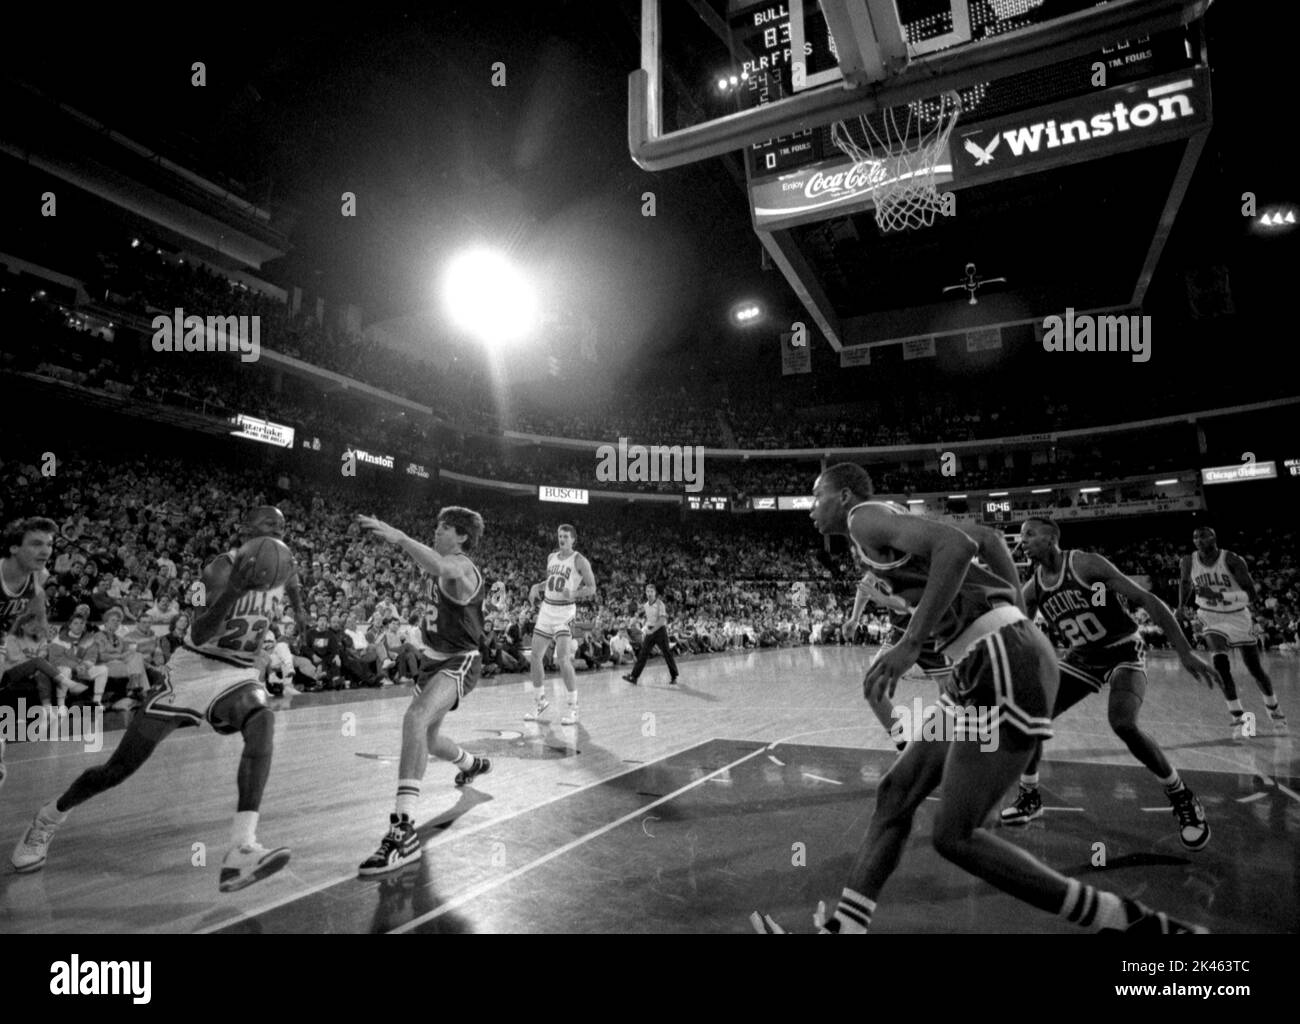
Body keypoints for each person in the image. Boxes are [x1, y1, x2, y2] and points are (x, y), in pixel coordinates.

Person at [753, 464, 1205, 934]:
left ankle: (1129, 922)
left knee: (955, 835)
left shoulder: (862, 517)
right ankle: (846, 927)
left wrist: (912, 643)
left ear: (844, 496)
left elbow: (960, 546)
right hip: (982, 663)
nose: (810, 508)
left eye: (816, 495)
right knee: (896, 793)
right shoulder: (882, 526)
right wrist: (1016, 606)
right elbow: (987, 537)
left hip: (1000, 656)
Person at [11, 507, 301, 893]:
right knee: (119, 769)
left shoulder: (283, 565)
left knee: (262, 720)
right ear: (245, 531)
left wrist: (299, 613)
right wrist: (234, 592)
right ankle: (49, 817)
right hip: (192, 669)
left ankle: (241, 849)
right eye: (268, 525)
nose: (277, 531)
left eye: (281, 526)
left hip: (238, 673)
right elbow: (197, 629)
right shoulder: (218, 569)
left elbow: (294, 589)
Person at [1000, 518, 1219, 851]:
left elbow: (1148, 600)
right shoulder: (1033, 588)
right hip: (1082, 657)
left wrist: (1185, 651)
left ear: (1052, 537)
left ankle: (1182, 796)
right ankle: (1030, 795)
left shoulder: (1085, 564)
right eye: (1021, 536)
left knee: (1123, 723)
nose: (1023, 541)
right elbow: (1016, 634)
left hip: (1122, 649)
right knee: (1031, 715)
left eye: (1030, 533)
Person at [356, 508, 492, 876]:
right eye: (436, 526)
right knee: (428, 740)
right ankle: (471, 764)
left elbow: (443, 570)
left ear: (462, 537)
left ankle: (403, 831)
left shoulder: (462, 567)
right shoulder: (437, 561)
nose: (436, 531)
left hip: (460, 659)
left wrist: (399, 536)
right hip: (432, 659)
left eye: (444, 528)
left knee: (414, 718)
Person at [1179, 527, 1286, 736]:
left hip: (1237, 615)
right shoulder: (1188, 561)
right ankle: (1237, 717)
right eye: (1195, 537)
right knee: (1220, 665)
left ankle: (1275, 711)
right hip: (1209, 615)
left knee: (1255, 668)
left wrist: (1220, 596)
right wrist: (1180, 606)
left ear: (1214, 538)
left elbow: (1251, 595)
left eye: (1203, 536)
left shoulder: (1232, 560)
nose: (1198, 540)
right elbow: (1185, 583)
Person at [1, 516, 56, 790]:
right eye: (35, 544)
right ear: (13, 547)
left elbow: (37, 614)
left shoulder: (38, 577)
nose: (45, 550)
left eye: (48, 544)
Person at [524, 524, 596, 725]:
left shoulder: (580, 560)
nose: (561, 539)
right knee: (535, 656)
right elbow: (551, 582)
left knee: (562, 660)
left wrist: (573, 593)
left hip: (565, 612)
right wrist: (536, 586)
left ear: (573, 539)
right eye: (559, 536)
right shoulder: (551, 557)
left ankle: (573, 707)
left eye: (565, 536)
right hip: (547, 609)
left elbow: (592, 588)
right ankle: (539, 701)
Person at [624, 582, 678, 685]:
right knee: (643, 654)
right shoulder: (645, 605)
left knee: (667, 653)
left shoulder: (660, 604)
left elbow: (662, 620)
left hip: (660, 631)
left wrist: (652, 630)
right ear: (645, 592)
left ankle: (674, 676)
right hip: (650, 631)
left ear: (655, 592)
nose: (649, 593)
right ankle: (634, 677)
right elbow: (647, 617)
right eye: (647, 591)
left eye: (651, 591)